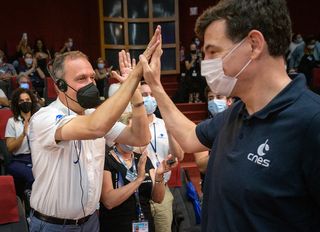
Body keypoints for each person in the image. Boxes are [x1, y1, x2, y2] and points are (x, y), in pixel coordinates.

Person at [139, 0, 320, 231]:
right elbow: (188, 137)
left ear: (254, 45)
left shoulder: (312, 122)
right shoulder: (238, 111)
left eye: (213, 51)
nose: (206, 64)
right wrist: (155, 85)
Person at [28, 26, 161, 232]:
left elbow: (141, 137)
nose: (91, 83)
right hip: (53, 225)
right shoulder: (44, 118)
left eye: (92, 77)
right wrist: (135, 76)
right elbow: (95, 128)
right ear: (60, 86)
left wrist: (134, 93)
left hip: (90, 222)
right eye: (82, 79)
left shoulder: (92, 115)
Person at [100, 112, 177, 232]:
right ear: (119, 133)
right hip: (116, 225)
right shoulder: (106, 159)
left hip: (144, 224)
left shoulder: (142, 159)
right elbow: (109, 201)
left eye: (137, 132)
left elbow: (158, 198)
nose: (135, 137)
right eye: (131, 132)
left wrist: (159, 175)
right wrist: (138, 179)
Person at [138, 81, 184, 232]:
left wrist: (170, 131)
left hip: (162, 191)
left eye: (152, 95)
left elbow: (179, 156)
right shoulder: (129, 125)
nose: (149, 98)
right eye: (144, 95)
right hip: (138, 193)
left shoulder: (164, 124)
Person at [5, 88, 38, 192]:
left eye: (28, 100)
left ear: (32, 101)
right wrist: (23, 134)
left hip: (38, 157)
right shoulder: (12, 122)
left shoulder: (38, 119)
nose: (25, 103)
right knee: (32, 176)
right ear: (17, 103)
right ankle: (30, 200)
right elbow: (10, 148)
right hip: (19, 160)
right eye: (22, 101)